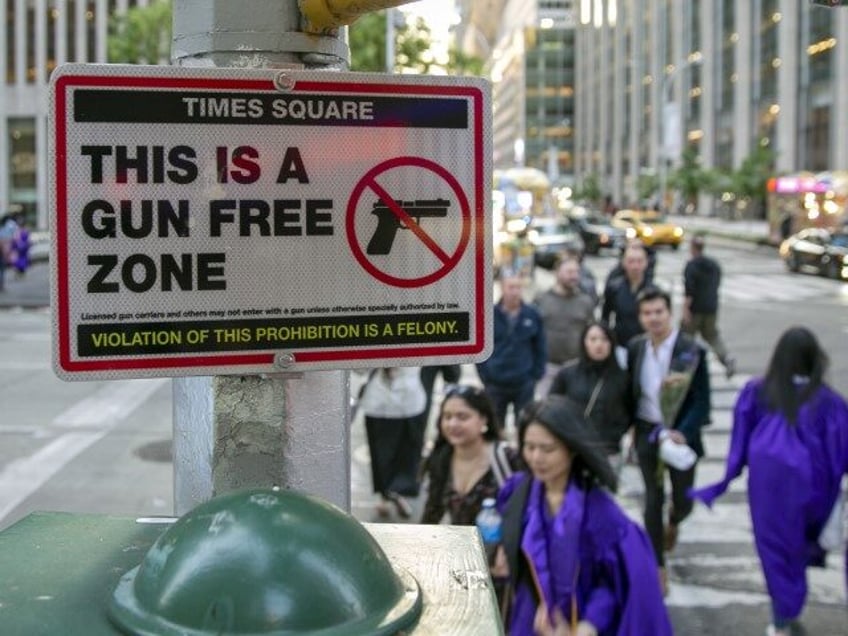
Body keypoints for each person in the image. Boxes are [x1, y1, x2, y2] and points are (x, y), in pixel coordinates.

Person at [689, 327, 848, 636]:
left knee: (775, 550)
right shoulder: (828, 403)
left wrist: (726, 478)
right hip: (814, 490)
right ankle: (789, 608)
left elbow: (739, 444)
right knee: (800, 547)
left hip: (769, 491)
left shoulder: (759, 393)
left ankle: (782, 617)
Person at [496, 397, 673, 636]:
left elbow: (614, 583)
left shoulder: (601, 513)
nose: (536, 458)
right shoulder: (518, 493)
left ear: (572, 449)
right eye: (529, 447)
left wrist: (588, 625)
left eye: (548, 449)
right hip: (530, 617)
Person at [625, 285, 711, 595]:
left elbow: (702, 402)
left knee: (683, 498)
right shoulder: (636, 348)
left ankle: (675, 520)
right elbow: (629, 394)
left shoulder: (691, 350)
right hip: (648, 432)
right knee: (652, 498)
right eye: (647, 313)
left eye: (658, 312)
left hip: (680, 438)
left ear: (669, 313)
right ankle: (657, 565)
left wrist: (682, 432)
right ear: (640, 317)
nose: (653, 318)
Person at [420, 384, 519, 525]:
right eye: (447, 417)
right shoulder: (441, 457)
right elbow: (432, 511)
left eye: (462, 417)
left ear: (484, 419)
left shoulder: (507, 458)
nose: (453, 424)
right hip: (461, 544)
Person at [548, 321, 630, 469]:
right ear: (584, 343)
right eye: (593, 339)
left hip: (608, 449)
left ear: (612, 343)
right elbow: (551, 406)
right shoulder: (568, 373)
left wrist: (617, 432)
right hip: (573, 447)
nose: (599, 345)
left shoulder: (622, 377)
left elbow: (631, 410)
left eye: (604, 339)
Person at [476, 274, 546, 430]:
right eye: (511, 287)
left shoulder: (532, 315)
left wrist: (536, 375)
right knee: (494, 426)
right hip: (496, 382)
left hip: (524, 382)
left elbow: (540, 347)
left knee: (524, 426)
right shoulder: (488, 315)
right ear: (502, 288)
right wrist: (485, 375)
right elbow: (479, 348)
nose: (515, 292)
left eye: (518, 287)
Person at [359, 366, 427, 519]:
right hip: (378, 404)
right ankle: (385, 495)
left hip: (410, 403)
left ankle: (399, 494)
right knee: (380, 456)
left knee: (407, 454)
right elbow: (358, 368)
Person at [533, 256, 596, 397]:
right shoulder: (542, 299)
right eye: (569, 272)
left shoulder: (585, 302)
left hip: (576, 367)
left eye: (576, 272)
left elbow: (592, 332)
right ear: (557, 273)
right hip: (547, 367)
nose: (573, 276)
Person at [681, 234, 736, 378]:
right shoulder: (714, 264)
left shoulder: (691, 265)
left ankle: (685, 367)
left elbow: (689, 291)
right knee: (712, 335)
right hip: (711, 306)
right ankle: (726, 358)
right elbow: (717, 284)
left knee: (686, 337)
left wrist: (685, 310)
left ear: (692, 248)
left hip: (695, 309)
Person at [601, 241, 651, 364]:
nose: (635, 266)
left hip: (647, 346)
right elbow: (605, 317)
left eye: (639, 261)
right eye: (631, 261)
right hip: (621, 344)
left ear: (646, 263)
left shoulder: (653, 291)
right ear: (624, 263)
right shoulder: (614, 288)